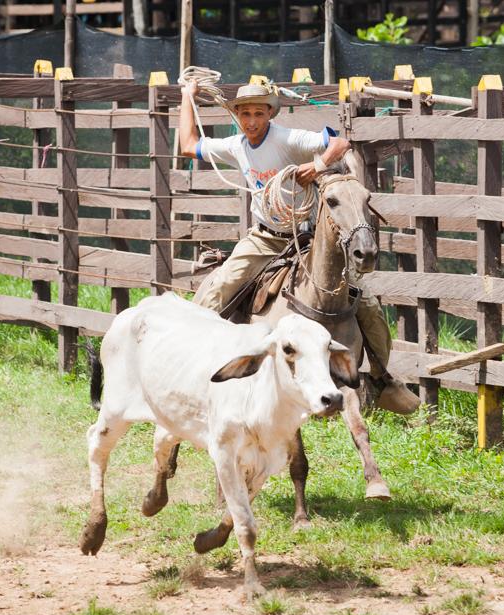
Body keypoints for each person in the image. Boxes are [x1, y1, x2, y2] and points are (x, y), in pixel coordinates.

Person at [178, 80, 419, 414]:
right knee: (218, 288)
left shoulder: (286, 139)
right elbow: (189, 145)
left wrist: (317, 166)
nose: (251, 121)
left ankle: (383, 379)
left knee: (368, 305)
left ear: (269, 113)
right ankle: (187, 361)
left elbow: (340, 143)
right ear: (237, 116)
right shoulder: (237, 146)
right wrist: (186, 97)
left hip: (306, 239)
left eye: (258, 113)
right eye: (245, 113)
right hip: (263, 239)